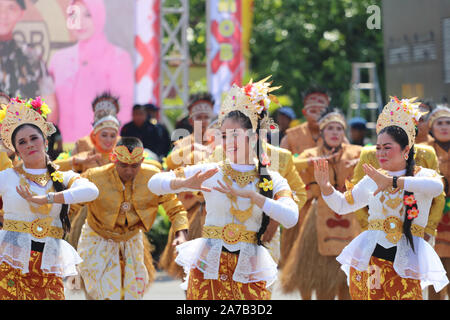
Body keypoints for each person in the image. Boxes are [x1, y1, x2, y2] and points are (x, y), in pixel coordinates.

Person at [148, 77, 299, 300]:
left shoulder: (272, 179)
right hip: (209, 265)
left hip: (249, 268)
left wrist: (254, 197)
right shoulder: (211, 171)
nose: (228, 142)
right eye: (224, 136)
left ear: (254, 136)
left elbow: (291, 217)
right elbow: (154, 183)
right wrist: (183, 183)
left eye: (235, 135)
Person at [314, 97, 449, 300]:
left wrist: (394, 182)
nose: (381, 153)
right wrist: (326, 188)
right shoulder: (373, 178)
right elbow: (343, 205)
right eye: (378, 148)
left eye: (387, 147)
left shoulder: (422, 176)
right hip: (371, 259)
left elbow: (437, 187)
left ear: (405, 150)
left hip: (406, 259)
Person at [0, 96, 99, 299]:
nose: (29, 145)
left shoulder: (63, 177)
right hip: (11, 262)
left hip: (48, 263)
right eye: (22, 142)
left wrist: (48, 199)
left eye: (34, 138)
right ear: (16, 150)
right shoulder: (7, 177)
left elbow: (91, 191)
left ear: (45, 141)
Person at [73, 137, 188, 300]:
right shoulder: (94, 177)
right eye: (123, 165)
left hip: (132, 241)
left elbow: (176, 209)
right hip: (98, 240)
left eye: (135, 166)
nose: (129, 171)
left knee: (132, 295)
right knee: (100, 294)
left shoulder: (153, 178)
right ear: (114, 159)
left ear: (142, 161)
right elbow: (71, 205)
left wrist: (181, 235)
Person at [281, 108, 362, 300]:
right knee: (320, 279)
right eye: (330, 128)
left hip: (350, 217)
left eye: (339, 129)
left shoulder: (355, 152)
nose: (335, 132)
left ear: (344, 134)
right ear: (322, 133)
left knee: (348, 281)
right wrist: (311, 162)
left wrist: (360, 161)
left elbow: (378, 158)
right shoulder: (310, 154)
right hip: (318, 216)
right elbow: (287, 165)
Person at [48, 0, 134, 142]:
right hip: (64, 148)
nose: (80, 22)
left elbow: (124, 111)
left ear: (99, 15)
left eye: (88, 15)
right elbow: (51, 110)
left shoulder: (117, 57)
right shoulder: (59, 59)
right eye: (74, 15)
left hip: (104, 147)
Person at [278, 87, 331, 267]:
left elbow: (347, 155)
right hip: (300, 196)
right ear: (304, 112)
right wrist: (304, 162)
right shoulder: (291, 135)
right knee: (299, 243)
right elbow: (280, 164)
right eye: (312, 110)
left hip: (328, 196)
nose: (317, 114)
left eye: (321, 110)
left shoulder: (335, 132)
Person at [0, 0, 57, 121]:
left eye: (11, 8)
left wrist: (46, 136)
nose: (3, 14)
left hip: (24, 135)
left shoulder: (31, 56)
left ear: (20, 14)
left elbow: (50, 103)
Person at [425, 105, 450, 299]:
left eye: (448, 122)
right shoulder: (423, 151)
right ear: (431, 128)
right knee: (433, 273)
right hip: (432, 214)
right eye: (439, 123)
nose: (444, 126)